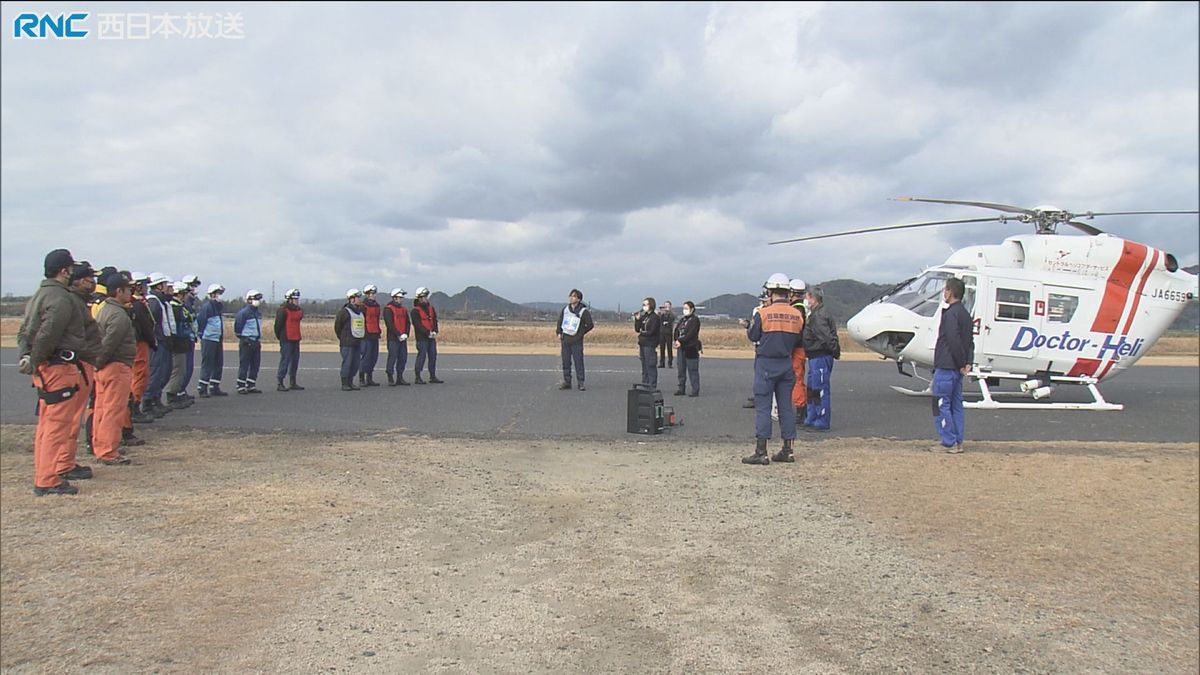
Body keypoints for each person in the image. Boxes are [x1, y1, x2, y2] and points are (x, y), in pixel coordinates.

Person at [16, 250, 94, 495]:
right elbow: (50, 331)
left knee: (48, 425)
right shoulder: (60, 298)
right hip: (58, 367)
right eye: (71, 268)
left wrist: (27, 357)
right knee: (57, 426)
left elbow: (25, 331)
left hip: (47, 367)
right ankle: (48, 479)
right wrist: (36, 357)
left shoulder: (40, 295)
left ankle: (46, 473)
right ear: (64, 270)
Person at [741, 273, 803, 465]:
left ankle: (761, 451)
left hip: (766, 363)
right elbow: (799, 341)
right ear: (787, 292)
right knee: (786, 408)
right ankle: (788, 450)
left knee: (763, 407)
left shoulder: (763, 313)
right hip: (786, 363)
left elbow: (753, 335)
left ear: (770, 291)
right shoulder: (797, 315)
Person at [91, 271, 136, 466]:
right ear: (119, 291)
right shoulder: (118, 315)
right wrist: (100, 362)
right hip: (116, 366)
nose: (131, 293)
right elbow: (109, 344)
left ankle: (101, 444)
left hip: (105, 367)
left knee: (101, 409)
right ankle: (108, 450)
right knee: (113, 410)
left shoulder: (105, 309)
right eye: (128, 290)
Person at [931, 277, 974, 453]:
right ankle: (958, 441)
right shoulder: (965, 314)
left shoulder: (951, 314)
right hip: (957, 369)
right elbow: (970, 342)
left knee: (940, 404)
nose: (944, 293)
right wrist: (967, 362)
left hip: (947, 366)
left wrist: (961, 362)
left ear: (950, 292)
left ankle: (948, 441)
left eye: (945, 290)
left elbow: (953, 339)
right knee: (956, 405)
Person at [801, 286, 840, 432]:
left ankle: (821, 419)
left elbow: (826, 337)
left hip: (821, 356)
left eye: (807, 297)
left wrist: (834, 351)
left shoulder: (819, 315)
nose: (806, 300)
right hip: (814, 356)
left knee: (820, 389)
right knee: (812, 389)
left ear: (812, 298)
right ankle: (812, 416)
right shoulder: (815, 314)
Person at [142, 273, 176, 417]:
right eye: (167, 286)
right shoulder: (154, 302)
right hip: (158, 342)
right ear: (159, 285)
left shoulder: (162, 302)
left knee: (164, 372)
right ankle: (148, 403)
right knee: (155, 372)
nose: (169, 290)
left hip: (164, 341)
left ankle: (156, 399)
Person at [128, 272, 159, 422]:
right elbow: (145, 326)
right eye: (144, 285)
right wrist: (152, 341)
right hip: (140, 343)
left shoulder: (140, 303)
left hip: (142, 342)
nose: (146, 288)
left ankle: (134, 405)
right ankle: (134, 406)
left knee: (142, 375)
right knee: (139, 375)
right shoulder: (137, 305)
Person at [194, 283, 229, 397]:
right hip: (209, 339)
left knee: (218, 363)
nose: (220, 295)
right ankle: (202, 387)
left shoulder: (218, 307)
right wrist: (203, 335)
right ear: (212, 294)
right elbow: (200, 322)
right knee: (207, 364)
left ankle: (214, 386)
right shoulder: (207, 307)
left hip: (217, 339)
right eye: (218, 293)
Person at [164, 281, 195, 408]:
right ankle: (172, 396)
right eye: (185, 293)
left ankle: (177, 393)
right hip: (178, 344)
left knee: (182, 370)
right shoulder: (175, 307)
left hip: (183, 342)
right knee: (178, 370)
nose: (188, 296)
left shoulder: (179, 306)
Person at [556, 288, 594, 391]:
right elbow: (560, 321)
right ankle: (567, 381)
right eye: (571, 296)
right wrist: (559, 332)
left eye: (574, 296)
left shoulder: (583, 311)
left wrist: (581, 333)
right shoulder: (565, 309)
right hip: (565, 339)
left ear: (579, 299)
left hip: (576, 341)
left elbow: (590, 325)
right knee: (566, 361)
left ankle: (580, 382)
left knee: (578, 361)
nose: (571, 298)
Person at [410, 287, 444, 384]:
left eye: (426, 296)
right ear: (420, 298)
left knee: (433, 356)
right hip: (422, 338)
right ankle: (418, 376)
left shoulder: (431, 308)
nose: (426, 298)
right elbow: (417, 324)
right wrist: (427, 332)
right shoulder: (415, 311)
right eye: (424, 296)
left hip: (431, 337)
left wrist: (435, 331)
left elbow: (434, 320)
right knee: (422, 356)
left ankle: (432, 376)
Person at [274, 288, 305, 391]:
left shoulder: (299, 310)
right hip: (286, 339)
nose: (297, 301)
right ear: (289, 300)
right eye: (294, 299)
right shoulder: (283, 310)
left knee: (295, 361)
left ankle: (293, 381)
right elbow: (278, 326)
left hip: (296, 339)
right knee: (285, 360)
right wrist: (281, 337)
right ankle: (280, 382)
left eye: (297, 299)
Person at [334, 289, 366, 391]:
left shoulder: (360, 312)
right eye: (358, 298)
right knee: (347, 363)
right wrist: (343, 338)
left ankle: (351, 382)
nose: (359, 300)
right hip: (347, 343)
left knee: (355, 363)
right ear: (352, 299)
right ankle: (345, 383)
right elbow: (337, 327)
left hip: (357, 341)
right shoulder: (344, 312)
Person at [234, 289, 264, 394]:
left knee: (255, 364)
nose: (258, 301)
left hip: (256, 341)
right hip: (247, 341)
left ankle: (251, 384)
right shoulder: (244, 313)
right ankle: (241, 385)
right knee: (244, 364)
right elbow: (238, 327)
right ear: (249, 300)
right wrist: (244, 338)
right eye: (256, 299)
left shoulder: (258, 313)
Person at [788, 279, 808, 419]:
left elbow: (796, 332)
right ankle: (802, 407)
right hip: (800, 348)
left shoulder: (796, 309)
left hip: (797, 349)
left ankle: (801, 409)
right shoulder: (802, 307)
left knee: (797, 379)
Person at [383, 288, 411, 386]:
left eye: (402, 298)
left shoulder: (404, 309)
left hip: (403, 338)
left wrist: (406, 334)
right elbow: (389, 324)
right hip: (393, 338)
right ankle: (390, 377)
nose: (401, 299)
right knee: (392, 357)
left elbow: (408, 323)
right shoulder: (388, 309)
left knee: (403, 357)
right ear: (394, 298)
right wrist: (398, 334)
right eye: (399, 298)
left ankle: (400, 377)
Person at [673, 301, 701, 397]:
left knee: (692, 370)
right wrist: (676, 340)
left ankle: (695, 390)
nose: (684, 310)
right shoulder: (683, 320)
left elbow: (691, 334)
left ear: (692, 309)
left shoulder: (695, 320)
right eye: (683, 308)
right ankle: (681, 388)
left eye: (686, 308)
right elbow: (676, 330)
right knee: (681, 369)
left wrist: (681, 341)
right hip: (681, 348)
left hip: (691, 347)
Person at [358, 284, 383, 387]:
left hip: (375, 333)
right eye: (372, 294)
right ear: (367, 295)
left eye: (374, 294)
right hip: (366, 334)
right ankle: (361, 378)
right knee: (366, 357)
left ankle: (370, 378)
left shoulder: (376, 305)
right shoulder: (363, 306)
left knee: (374, 357)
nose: (374, 296)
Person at [633, 296, 661, 389]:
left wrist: (642, 332)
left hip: (650, 343)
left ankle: (652, 384)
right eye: (643, 304)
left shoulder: (655, 317)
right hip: (642, 343)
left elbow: (651, 331)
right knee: (644, 365)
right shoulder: (644, 316)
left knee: (650, 364)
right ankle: (645, 383)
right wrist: (637, 320)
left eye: (645, 304)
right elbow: (637, 329)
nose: (644, 306)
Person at [657, 301, 676, 368]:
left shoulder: (672, 314)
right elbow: (659, 320)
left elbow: (672, 319)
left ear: (670, 306)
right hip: (662, 333)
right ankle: (662, 363)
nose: (666, 307)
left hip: (669, 333)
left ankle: (670, 363)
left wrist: (668, 312)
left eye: (667, 306)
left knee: (669, 348)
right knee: (662, 348)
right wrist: (661, 313)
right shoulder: (661, 314)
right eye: (665, 306)